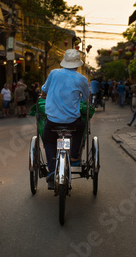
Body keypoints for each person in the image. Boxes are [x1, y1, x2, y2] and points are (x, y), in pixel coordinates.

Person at [41, 49, 89, 189]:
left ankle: (51, 170)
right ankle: (74, 156)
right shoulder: (81, 79)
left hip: (53, 120)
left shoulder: (54, 73)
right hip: (72, 120)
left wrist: (45, 96)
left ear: (64, 62)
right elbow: (85, 98)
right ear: (77, 65)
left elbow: (44, 91)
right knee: (80, 128)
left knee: (48, 140)